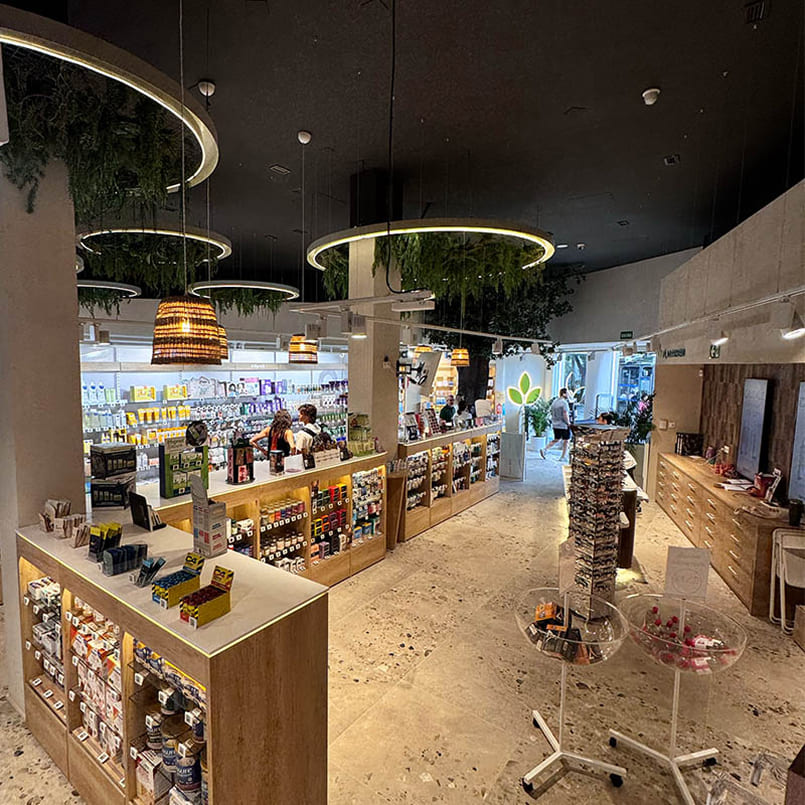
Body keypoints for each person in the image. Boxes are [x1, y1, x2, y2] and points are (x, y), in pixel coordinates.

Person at [541, 388, 571, 461]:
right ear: (564, 394)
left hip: (555, 424)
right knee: (566, 440)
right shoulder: (564, 403)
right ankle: (563, 457)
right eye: (567, 393)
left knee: (556, 439)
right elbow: (565, 413)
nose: (568, 395)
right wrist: (568, 423)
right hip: (563, 425)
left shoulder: (555, 402)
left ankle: (545, 449)